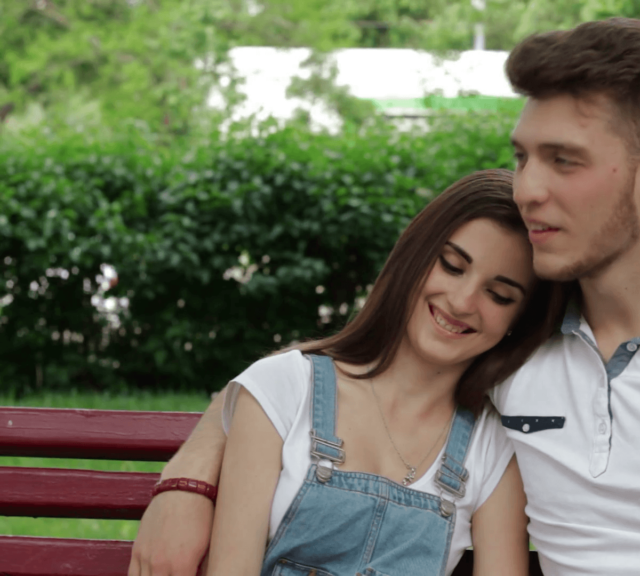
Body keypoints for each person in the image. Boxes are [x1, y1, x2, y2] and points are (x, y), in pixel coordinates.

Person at [132, 18, 640, 576]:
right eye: (522, 156)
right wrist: (189, 477)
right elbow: (329, 380)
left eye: (564, 160)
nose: (529, 188)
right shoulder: (515, 341)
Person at [130, 169, 565, 576]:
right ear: (414, 256)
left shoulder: (491, 446)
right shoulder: (286, 388)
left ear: (518, 322)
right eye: (452, 265)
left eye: (500, 294)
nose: (463, 301)